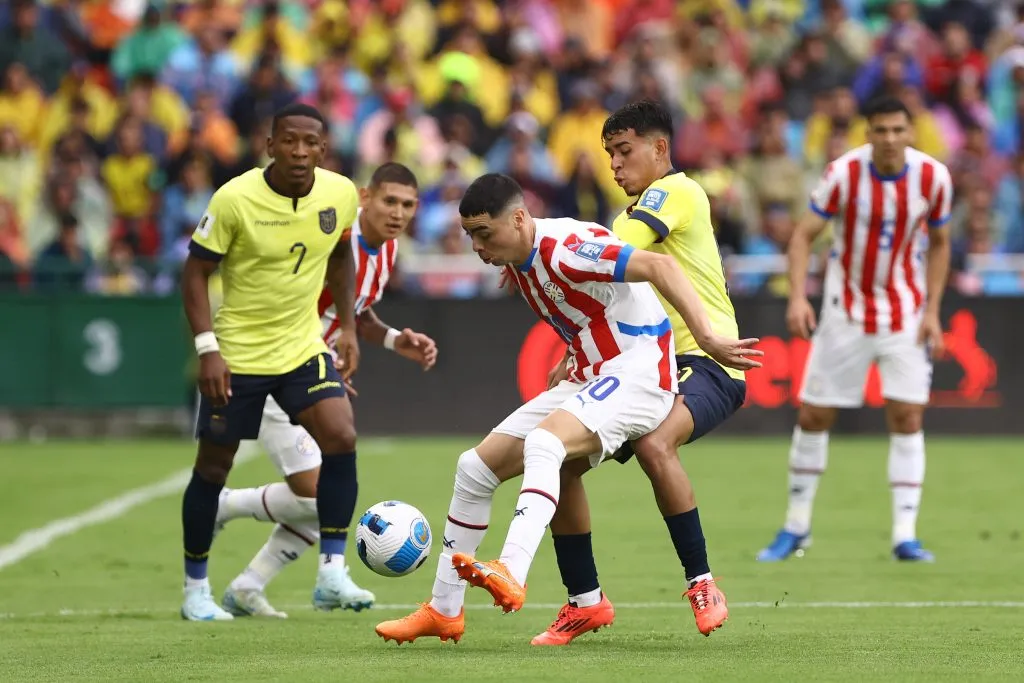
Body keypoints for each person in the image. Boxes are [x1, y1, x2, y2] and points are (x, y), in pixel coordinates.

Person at [374, 173, 761, 645]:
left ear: (519, 219)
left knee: (545, 444)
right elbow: (590, 308)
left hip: (641, 371)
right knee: (474, 468)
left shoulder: (568, 246)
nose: (476, 245)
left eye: (484, 233)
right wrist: (572, 354)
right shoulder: (519, 254)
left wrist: (705, 338)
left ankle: (512, 569)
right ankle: (444, 610)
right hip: (597, 370)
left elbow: (662, 269)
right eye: (470, 235)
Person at [532, 100, 756, 645]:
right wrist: (577, 348)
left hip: (709, 360)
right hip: (640, 364)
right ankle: (584, 601)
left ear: (660, 148)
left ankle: (703, 584)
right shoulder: (622, 220)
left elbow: (614, 256)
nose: (613, 164)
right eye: (609, 153)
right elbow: (607, 298)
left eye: (624, 150)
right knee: (559, 462)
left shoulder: (676, 192)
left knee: (657, 445)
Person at [210, 163, 437, 618]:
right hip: (278, 368)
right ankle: (227, 506)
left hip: (310, 372)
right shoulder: (333, 242)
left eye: (408, 205)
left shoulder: (388, 251)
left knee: (326, 495)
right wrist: (319, 366)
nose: (398, 213)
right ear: (364, 196)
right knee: (321, 493)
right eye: (389, 201)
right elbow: (290, 308)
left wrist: (395, 340)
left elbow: (357, 314)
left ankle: (247, 586)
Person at [179, 103, 364, 621]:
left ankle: (330, 572)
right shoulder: (234, 198)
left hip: (302, 348)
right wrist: (207, 349)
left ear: (323, 149)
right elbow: (194, 274)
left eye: (310, 142)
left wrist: (347, 326)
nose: (300, 151)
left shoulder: (340, 193)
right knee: (213, 468)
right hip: (237, 357)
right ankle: (196, 590)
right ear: (270, 145)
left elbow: (341, 254)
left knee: (341, 437)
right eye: (289, 141)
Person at [756, 96, 952, 563]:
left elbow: (941, 244)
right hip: (845, 311)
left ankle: (905, 534)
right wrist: (800, 296)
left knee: (907, 416)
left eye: (897, 130)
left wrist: (932, 311)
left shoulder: (932, 178)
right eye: (880, 130)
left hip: (905, 312)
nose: (889, 139)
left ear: (911, 132)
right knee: (814, 416)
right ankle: (796, 526)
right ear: (868, 134)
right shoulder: (844, 174)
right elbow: (803, 235)